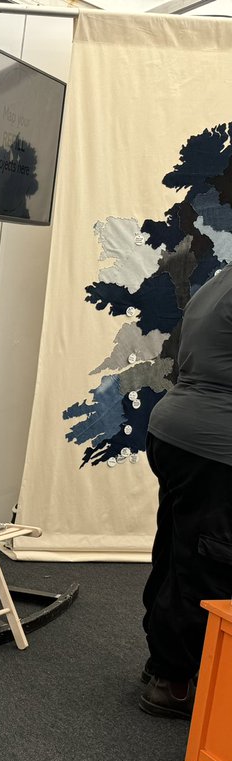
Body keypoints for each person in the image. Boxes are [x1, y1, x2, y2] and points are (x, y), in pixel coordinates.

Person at [140, 265, 232, 719]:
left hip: (177, 433)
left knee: (177, 552)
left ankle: (162, 664)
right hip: (215, 447)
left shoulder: (221, 279)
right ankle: (173, 681)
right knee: (207, 566)